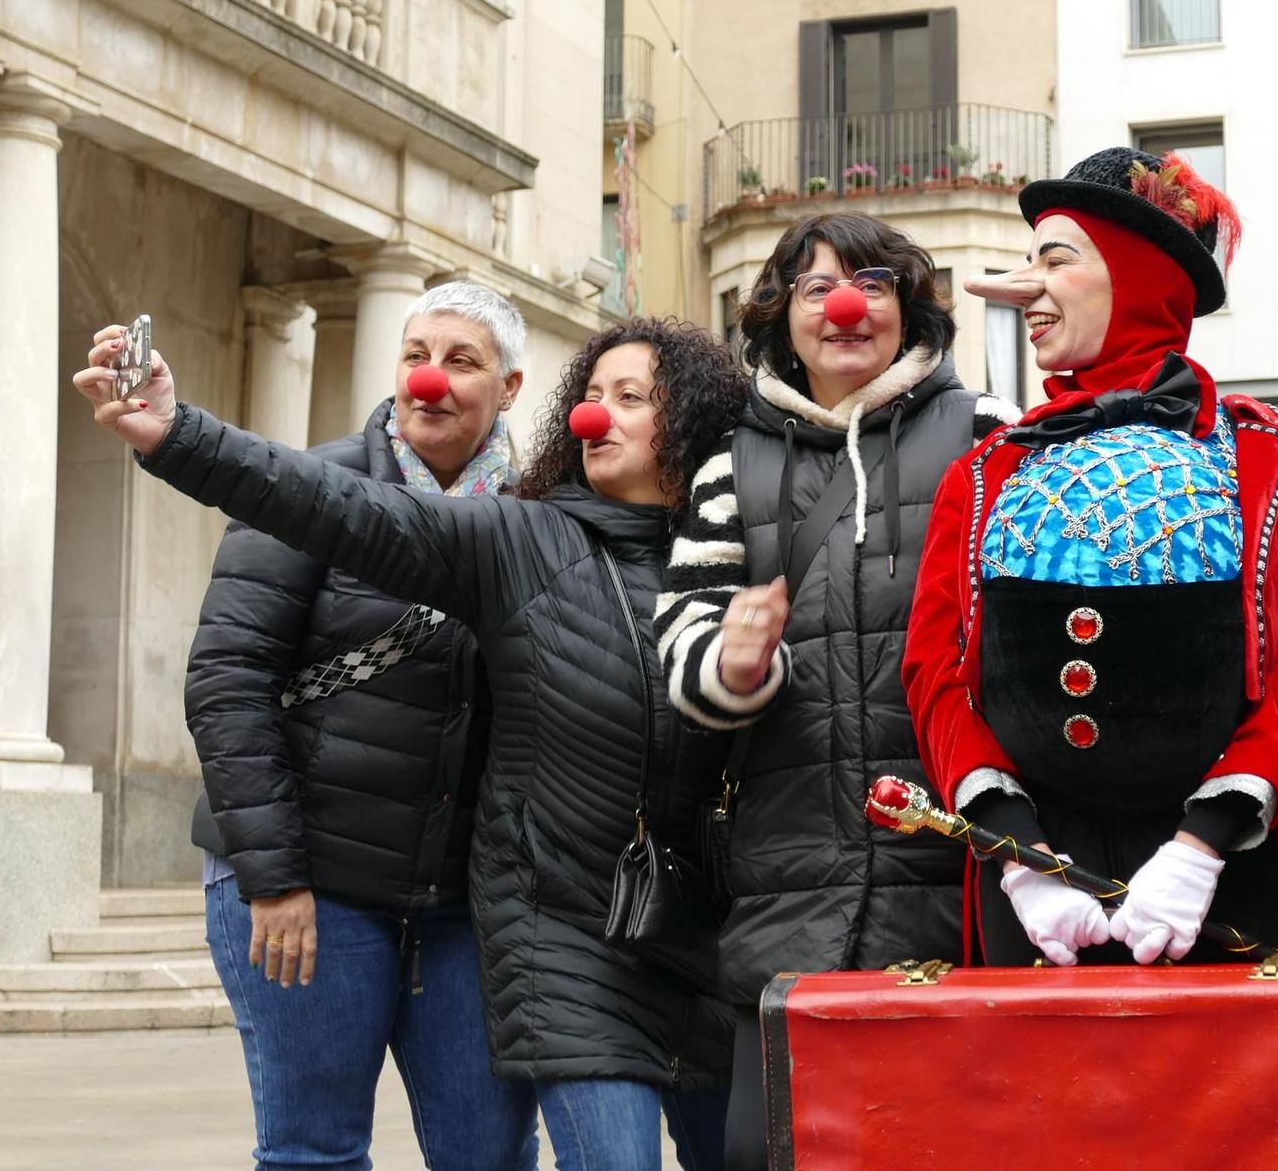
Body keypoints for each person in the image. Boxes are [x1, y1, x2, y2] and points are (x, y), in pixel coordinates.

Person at [77, 314, 748, 1171]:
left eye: (630, 398)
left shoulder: (736, 557)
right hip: (551, 946)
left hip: (691, 944)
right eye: (588, 396)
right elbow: (327, 511)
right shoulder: (520, 539)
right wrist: (179, 433)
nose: (594, 416)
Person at [904, 147, 1278, 970]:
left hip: (1221, 877)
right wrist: (1019, 860)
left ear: (1139, 275)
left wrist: (1203, 844)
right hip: (1033, 886)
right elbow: (935, 668)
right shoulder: (982, 472)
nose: (1025, 286)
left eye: (1056, 259)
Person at [651, 212, 1014, 1170]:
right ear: (784, 316)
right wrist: (735, 664)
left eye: (870, 285)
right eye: (816, 288)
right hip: (787, 906)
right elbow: (683, 636)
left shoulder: (984, 433)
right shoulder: (734, 463)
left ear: (908, 310)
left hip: (953, 900)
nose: (844, 306)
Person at [186, 281, 537, 1170]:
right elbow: (229, 679)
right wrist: (272, 877)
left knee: (488, 1154)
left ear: (512, 386)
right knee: (315, 1150)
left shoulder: (542, 518)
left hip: (465, 903)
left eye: (461, 361)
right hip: (312, 879)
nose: (430, 379)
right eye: (416, 355)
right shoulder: (312, 488)